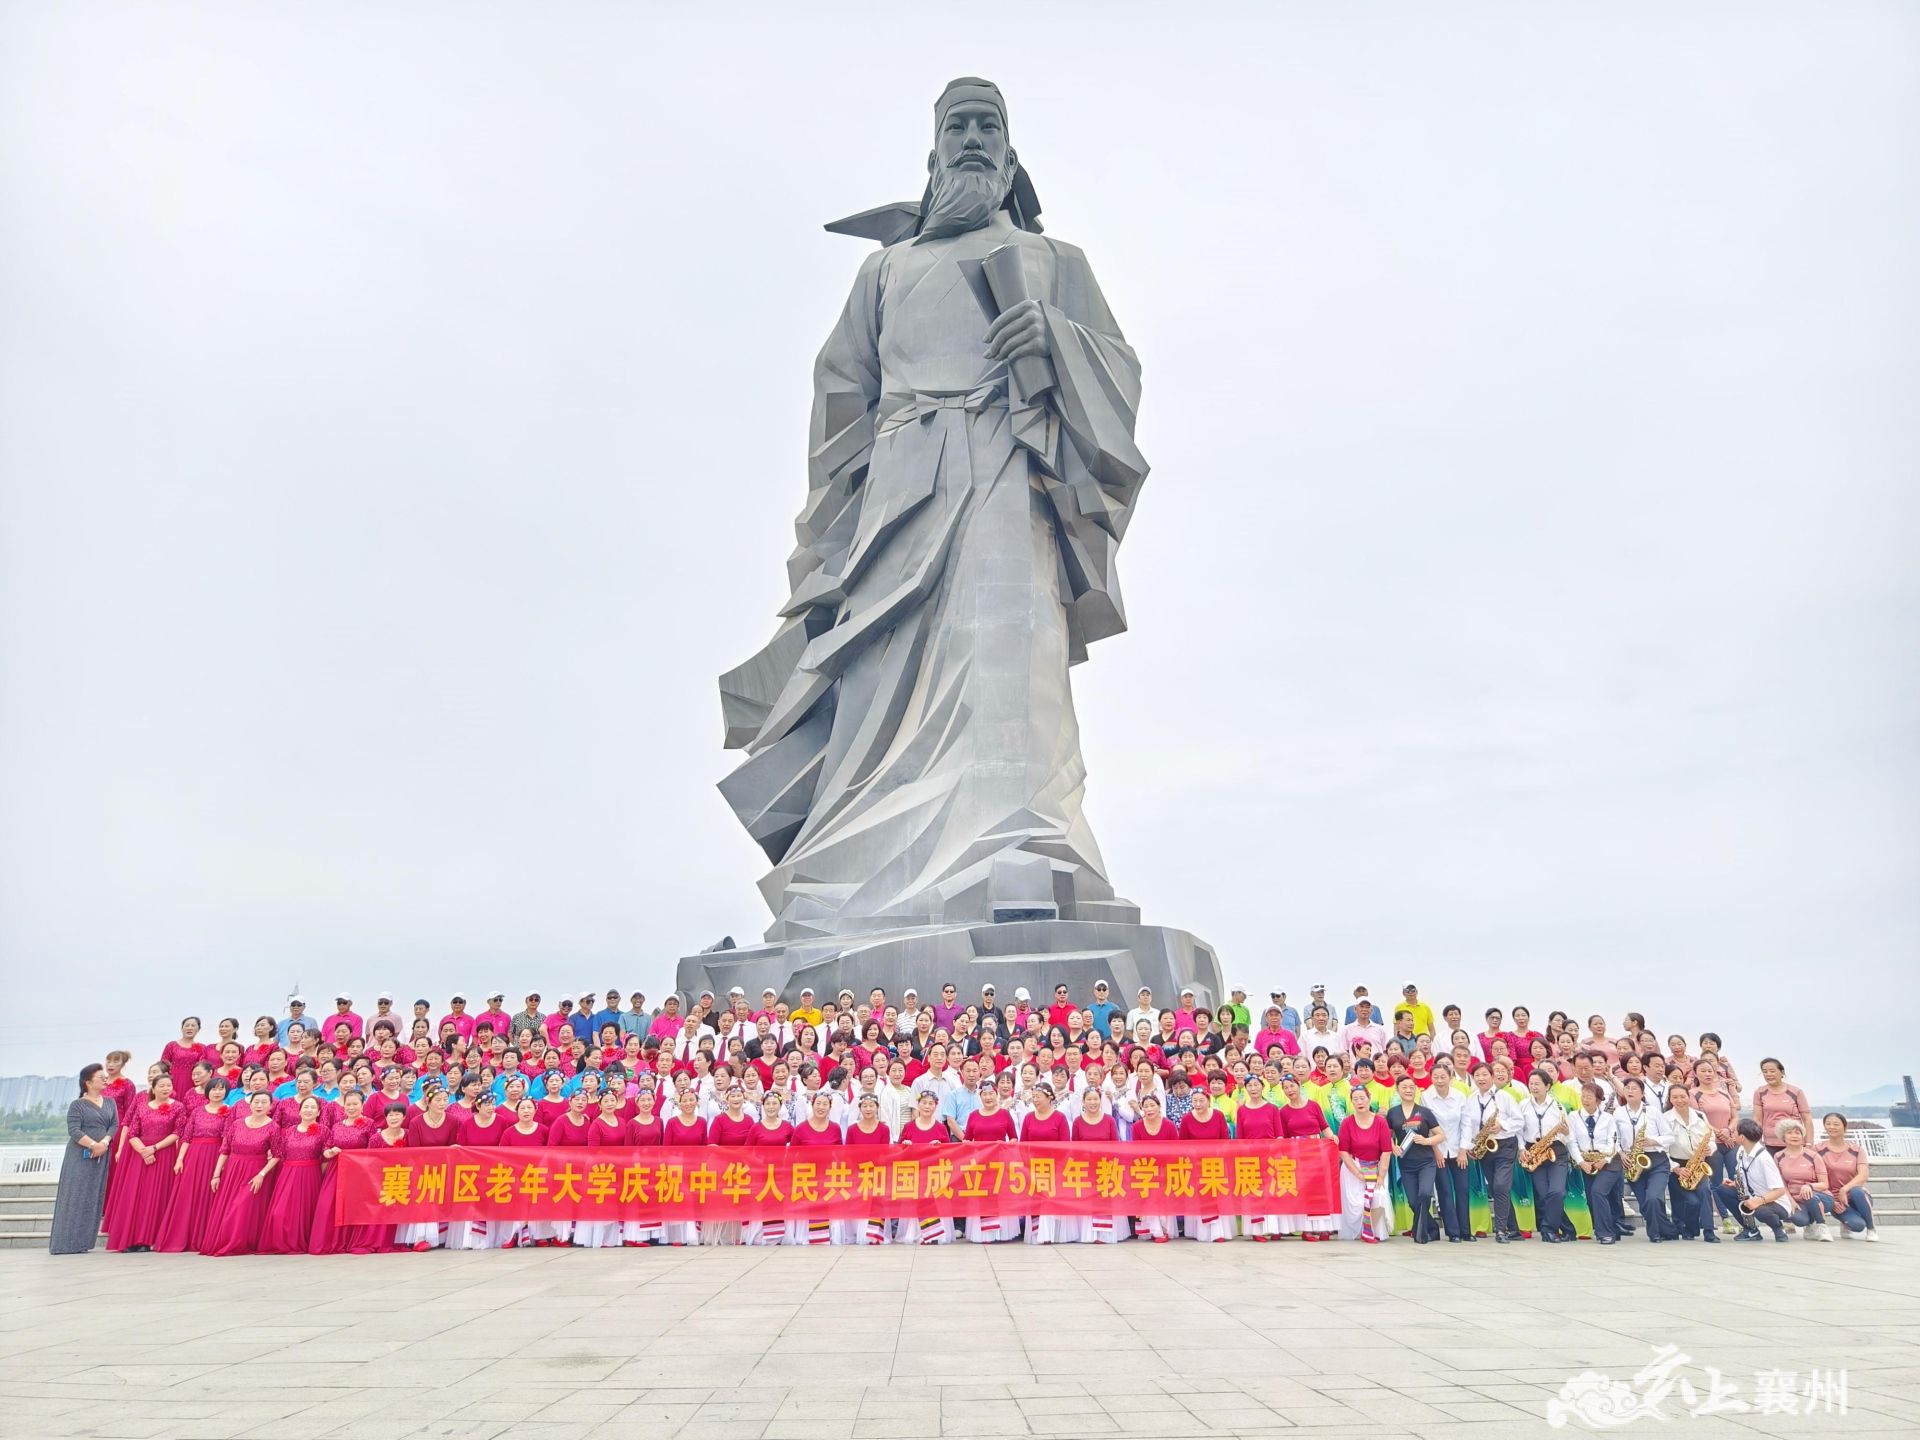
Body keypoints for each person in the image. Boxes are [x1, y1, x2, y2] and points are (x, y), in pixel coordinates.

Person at [107, 1073, 184, 1253]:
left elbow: (177, 1132)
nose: (165, 1089)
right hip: (139, 1156)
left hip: (163, 1155)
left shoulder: (178, 1107)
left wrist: (154, 1148)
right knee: (136, 1196)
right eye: (162, 1085)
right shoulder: (142, 1106)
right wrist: (143, 1150)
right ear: (153, 1088)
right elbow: (133, 1133)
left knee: (156, 1196)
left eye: (168, 1085)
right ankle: (131, 1239)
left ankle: (147, 1239)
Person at [156, 1075, 232, 1254]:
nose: (217, 1092)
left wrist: (222, 1166)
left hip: (215, 1155)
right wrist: (180, 1158)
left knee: (208, 1195)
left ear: (226, 1092)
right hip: (193, 1156)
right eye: (214, 1089)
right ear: (208, 1091)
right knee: (187, 1195)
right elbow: (187, 1137)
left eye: (221, 1089)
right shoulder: (197, 1111)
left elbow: (227, 1141)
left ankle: (203, 1238)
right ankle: (182, 1237)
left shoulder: (229, 1111)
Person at [200, 1091, 281, 1256]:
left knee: (241, 1207)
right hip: (233, 1170)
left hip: (255, 1171)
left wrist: (262, 1175)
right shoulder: (237, 1124)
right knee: (229, 1206)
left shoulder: (273, 1127)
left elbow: (278, 1155)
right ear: (250, 1104)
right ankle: (226, 1240)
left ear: (270, 1106)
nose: (259, 1105)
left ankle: (235, 1243)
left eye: (264, 1102)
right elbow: (225, 1150)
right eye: (256, 1102)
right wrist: (216, 1175)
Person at [50, 1064, 117, 1255]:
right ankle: (64, 1243)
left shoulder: (110, 1102)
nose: (105, 1079)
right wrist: (92, 1145)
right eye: (100, 1077)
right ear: (88, 1082)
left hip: (101, 1155)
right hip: (80, 1156)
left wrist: (103, 1143)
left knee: (92, 1197)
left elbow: (114, 1125)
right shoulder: (77, 1105)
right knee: (74, 1196)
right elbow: (74, 1130)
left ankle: (83, 1242)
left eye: (105, 1077)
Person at [309, 1090, 384, 1255]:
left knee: (355, 1205)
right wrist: (330, 1152)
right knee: (329, 1205)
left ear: (362, 1105)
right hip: (337, 1169)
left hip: (359, 1171)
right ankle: (333, 1241)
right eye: (348, 1104)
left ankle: (355, 1240)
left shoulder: (369, 1124)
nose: (351, 1107)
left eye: (355, 1104)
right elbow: (326, 1149)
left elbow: (374, 1148)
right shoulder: (336, 1125)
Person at [258, 1095, 328, 1254]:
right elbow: (279, 1154)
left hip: (311, 1174)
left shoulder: (324, 1131)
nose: (308, 1110)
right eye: (305, 1107)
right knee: (280, 1212)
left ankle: (298, 1243)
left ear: (318, 1112)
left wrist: (319, 1177)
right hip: (288, 1174)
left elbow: (324, 1158)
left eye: (312, 1107)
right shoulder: (289, 1131)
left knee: (304, 1213)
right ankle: (281, 1242)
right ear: (299, 1110)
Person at [1616, 1078, 1676, 1242]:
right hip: (1632, 1160)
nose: (1630, 1091)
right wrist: (1621, 1154)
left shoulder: (1653, 1112)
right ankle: (1668, 1230)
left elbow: (1670, 1137)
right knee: (1644, 1203)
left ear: (1642, 1093)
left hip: (1656, 1160)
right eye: (1627, 1088)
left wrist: (1653, 1141)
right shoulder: (1619, 1113)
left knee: (1654, 1198)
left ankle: (1654, 1233)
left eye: (1634, 1088)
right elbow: (1616, 1139)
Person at [1467, 1062, 1522, 1242]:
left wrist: (1502, 1125)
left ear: (1492, 1076)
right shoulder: (1472, 1099)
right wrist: (1470, 1145)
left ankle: (1501, 1230)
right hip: (1485, 1148)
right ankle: (1514, 1228)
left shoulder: (1504, 1097)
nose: (1481, 1078)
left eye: (1484, 1074)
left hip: (1505, 1145)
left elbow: (1519, 1121)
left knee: (1500, 1186)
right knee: (1496, 1188)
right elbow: (1469, 1125)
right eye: (1477, 1076)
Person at [1518, 1070, 1573, 1243]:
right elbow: (1518, 1130)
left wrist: (1565, 1132)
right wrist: (1521, 1149)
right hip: (1533, 1150)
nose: (1533, 1087)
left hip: (1555, 1150)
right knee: (1543, 1195)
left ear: (1547, 1086)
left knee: (1556, 1192)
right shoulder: (1523, 1105)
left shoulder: (1557, 1106)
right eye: (1531, 1083)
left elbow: (1568, 1136)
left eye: (1537, 1084)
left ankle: (1548, 1230)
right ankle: (1568, 1229)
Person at [1386, 1076, 1443, 1243]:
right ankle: (1432, 1229)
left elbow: (1441, 1135)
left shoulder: (1424, 1112)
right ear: (1398, 1090)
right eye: (1404, 1087)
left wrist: (1427, 1141)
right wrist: (1392, 1146)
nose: (1408, 1090)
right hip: (1406, 1164)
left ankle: (1421, 1234)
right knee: (1413, 1201)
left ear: (1416, 1089)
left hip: (1426, 1162)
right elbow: (1387, 1135)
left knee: (1424, 1194)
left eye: (1412, 1087)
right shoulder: (1393, 1112)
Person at [962, 1082, 1020, 1244]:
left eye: (991, 1094)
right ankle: (984, 1234)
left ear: (996, 1095)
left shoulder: (1004, 1114)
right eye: (984, 1094)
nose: (988, 1097)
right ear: (980, 1096)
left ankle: (1001, 1233)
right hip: (980, 1165)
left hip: (999, 1164)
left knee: (999, 1196)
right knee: (982, 1196)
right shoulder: (973, 1115)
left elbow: (1014, 1138)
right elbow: (967, 1139)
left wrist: (1004, 1145)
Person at [1068, 1083, 1124, 1244]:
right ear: (1083, 1102)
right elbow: (1075, 1146)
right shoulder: (1078, 1121)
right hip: (1086, 1168)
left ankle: (1105, 1234)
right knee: (1089, 1201)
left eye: (1095, 1099)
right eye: (1089, 1099)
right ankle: (1089, 1234)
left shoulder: (1109, 1120)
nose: (1092, 1103)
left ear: (1100, 1101)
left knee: (1105, 1201)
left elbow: (1115, 1144)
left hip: (1106, 1167)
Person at [1175, 1087, 1232, 1243]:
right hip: (1196, 1165)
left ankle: (1218, 1231)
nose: (1198, 1104)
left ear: (1208, 1100)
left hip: (1216, 1162)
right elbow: (1183, 1144)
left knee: (1217, 1197)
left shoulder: (1218, 1116)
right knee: (1201, 1199)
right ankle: (1202, 1231)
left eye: (1201, 1101)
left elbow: (1225, 1139)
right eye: (1195, 1101)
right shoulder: (1187, 1119)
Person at [1662, 1087, 1718, 1244]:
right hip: (1676, 1164)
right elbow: (1663, 1148)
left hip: (1698, 1162)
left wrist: (1710, 1149)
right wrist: (1676, 1168)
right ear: (1670, 1099)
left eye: (1683, 1096)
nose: (1679, 1100)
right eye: (1675, 1097)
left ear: (1689, 1097)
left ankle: (1709, 1230)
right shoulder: (1665, 1119)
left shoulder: (1700, 1116)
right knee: (1689, 1201)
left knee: (1705, 1192)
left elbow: (1711, 1138)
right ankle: (1686, 1228)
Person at [1337, 1087, 1392, 1242]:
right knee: (1356, 1204)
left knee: (1378, 1197)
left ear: (1369, 1099)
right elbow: (1343, 1152)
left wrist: (1380, 1176)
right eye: (1355, 1099)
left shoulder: (1380, 1122)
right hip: (1354, 1167)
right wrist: (1358, 1173)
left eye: (1362, 1098)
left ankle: (1371, 1230)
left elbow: (1386, 1151)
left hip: (1376, 1167)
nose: (1359, 1102)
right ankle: (1359, 1231)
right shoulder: (1347, 1123)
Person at [897, 1090, 953, 1245]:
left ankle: (935, 1233)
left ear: (936, 1106)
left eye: (931, 1103)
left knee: (934, 1203)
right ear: (918, 1104)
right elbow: (899, 1152)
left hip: (934, 1174)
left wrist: (939, 1147)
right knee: (915, 1204)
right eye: (924, 1103)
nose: (927, 1106)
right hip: (914, 1174)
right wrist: (905, 1146)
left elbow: (949, 1153)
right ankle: (915, 1233)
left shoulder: (941, 1128)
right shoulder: (909, 1126)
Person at [1722, 1119, 1790, 1242]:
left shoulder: (1764, 1159)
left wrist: (1759, 1201)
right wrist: (1735, 1183)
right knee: (1723, 1190)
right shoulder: (1741, 1151)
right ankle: (1751, 1230)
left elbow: (1780, 1190)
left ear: (1742, 1137)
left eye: (1735, 1132)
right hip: (1752, 1196)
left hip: (1775, 1203)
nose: (1733, 1135)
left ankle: (1778, 1229)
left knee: (1760, 1210)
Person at [1572, 1082, 1623, 1244]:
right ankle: (1611, 1229)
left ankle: (1605, 1233)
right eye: (1583, 1096)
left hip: (1609, 1162)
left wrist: (1605, 1159)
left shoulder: (1608, 1118)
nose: (1585, 1100)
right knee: (1594, 1196)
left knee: (1598, 1192)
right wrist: (1581, 1162)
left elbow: (1614, 1140)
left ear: (1599, 1100)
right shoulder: (1573, 1116)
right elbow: (1571, 1142)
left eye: (1590, 1097)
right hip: (1587, 1162)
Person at [1814, 1112, 1877, 1241]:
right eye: (1828, 1124)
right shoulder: (1817, 1150)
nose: (1832, 1127)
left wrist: (1844, 1189)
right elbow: (1814, 1177)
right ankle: (1849, 1221)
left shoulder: (1856, 1150)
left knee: (1857, 1191)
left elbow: (1863, 1175)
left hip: (1856, 1196)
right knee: (1858, 1226)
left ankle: (1871, 1229)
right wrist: (1833, 1201)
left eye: (1836, 1124)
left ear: (1845, 1127)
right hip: (1835, 1199)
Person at [1773, 1119, 1838, 1241]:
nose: (1794, 1136)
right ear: (1783, 1137)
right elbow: (1782, 1184)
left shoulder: (1813, 1156)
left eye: (1797, 1133)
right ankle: (1809, 1225)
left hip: (1821, 1197)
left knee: (1809, 1195)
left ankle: (1822, 1226)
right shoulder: (1778, 1157)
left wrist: (1810, 1186)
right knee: (1799, 1220)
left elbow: (1824, 1184)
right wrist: (1790, 1201)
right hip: (1797, 1199)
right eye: (1790, 1133)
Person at [661, 1090, 708, 1247]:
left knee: (696, 1200)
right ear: (679, 1103)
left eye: (691, 1100)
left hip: (696, 1167)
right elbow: (666, 1148)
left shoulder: (701, 1122)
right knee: (681, 1200)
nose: (688, 1103)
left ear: (696, 1102)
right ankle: (678, 1235)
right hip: (677, 1167)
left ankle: (696, 1233)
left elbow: (704, 1146)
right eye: (685, 1100)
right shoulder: (672, 1122)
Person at [1751, 1058, 1811, 1153]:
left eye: (1772, 1071)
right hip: (1770, 1143)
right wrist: (1757, 1142)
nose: (1768, 1074)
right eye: (1765, 1072)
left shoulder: (1796, 1092)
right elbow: (1757, 1120)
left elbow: (1807, 1119)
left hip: (1794, 1142)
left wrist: (1809, 1143)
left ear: (1782, 1072)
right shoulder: (1760, 1092)